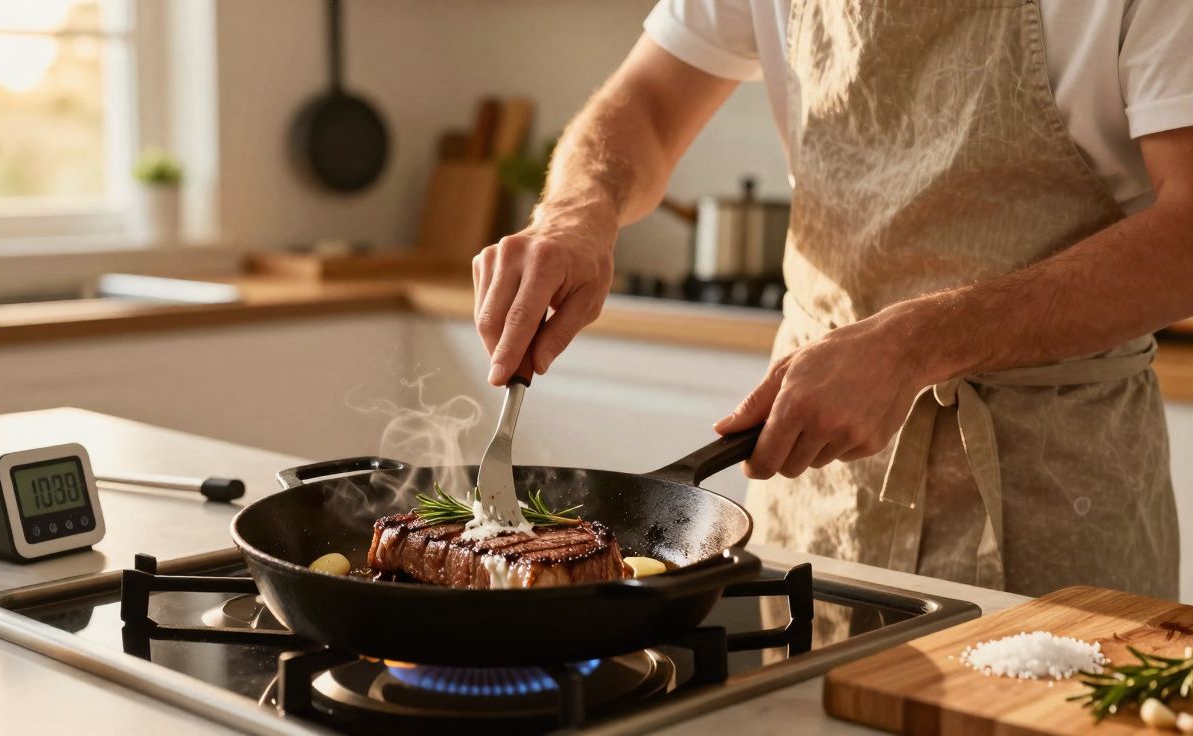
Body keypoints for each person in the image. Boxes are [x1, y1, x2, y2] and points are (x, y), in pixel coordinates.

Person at [469, 0, 1193, 598]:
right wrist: (576, 212)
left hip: (1055, 491)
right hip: (817, 481)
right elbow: (651, 104)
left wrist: (918, 342)